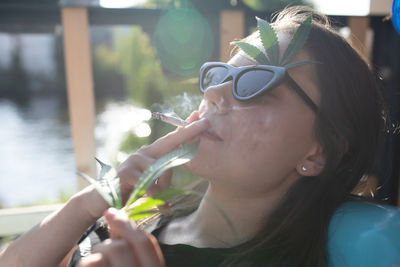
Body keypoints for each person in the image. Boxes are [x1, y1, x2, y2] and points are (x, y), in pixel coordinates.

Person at [0, 5, 388, 267]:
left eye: (255, 83)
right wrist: (91, 201)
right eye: (218, 75)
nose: (215, 93)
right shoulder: (142, 218)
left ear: (319, 152)